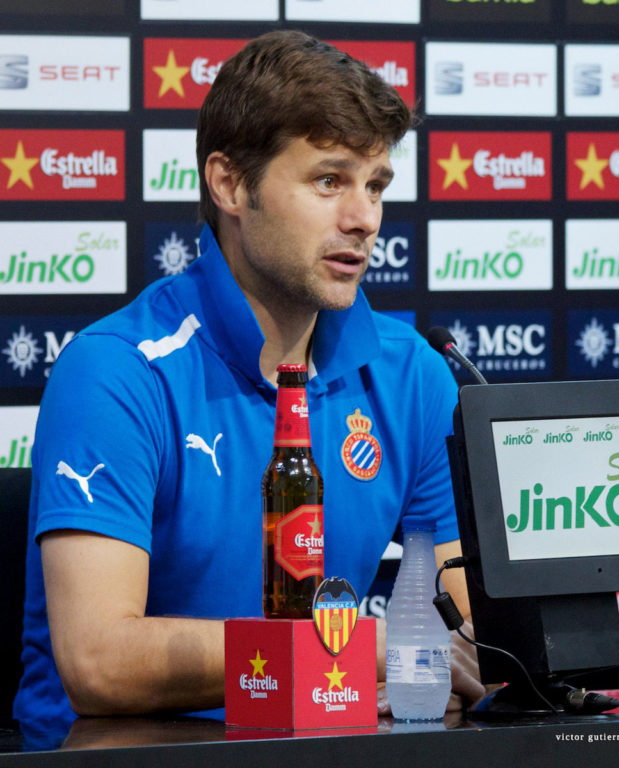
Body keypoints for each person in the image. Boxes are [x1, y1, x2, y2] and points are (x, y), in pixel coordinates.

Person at [13, 30, 483, 726]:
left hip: (329, 742)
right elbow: (100, 663)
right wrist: (356, 649)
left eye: (375, 186)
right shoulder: (117, 370)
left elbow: (474, 633)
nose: (364, 219)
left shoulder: (412, 374)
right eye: (329, 181)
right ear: (230, 184)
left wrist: (411, 668)